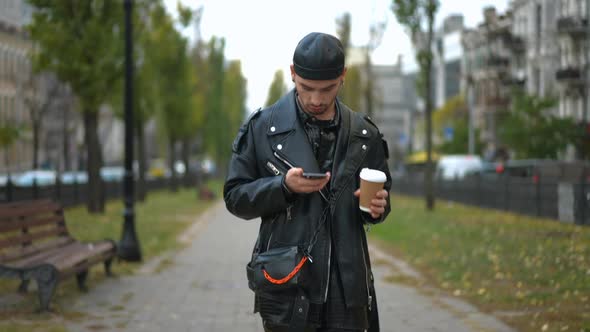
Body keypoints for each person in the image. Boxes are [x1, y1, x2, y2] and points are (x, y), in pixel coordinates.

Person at [224, 32, 391, 332]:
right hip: (288, 283)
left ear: (343, 77)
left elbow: (377, 204)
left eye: (327, 89)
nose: (316, 99)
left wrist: (377, 208)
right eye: (306, 88)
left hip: (347, 288)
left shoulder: (364, 136)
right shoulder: (263, 128)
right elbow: (235, 197)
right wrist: (283, 188)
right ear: (292, 74)